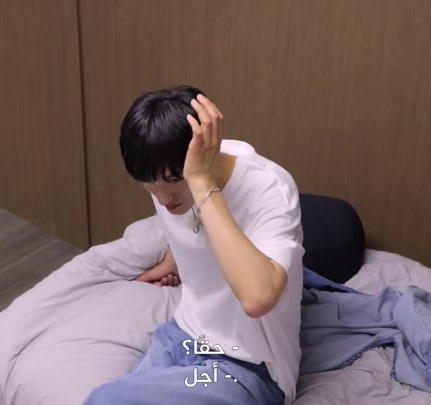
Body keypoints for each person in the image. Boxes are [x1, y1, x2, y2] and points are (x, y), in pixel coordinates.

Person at [83, 85, 304, 405]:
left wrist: (201, 182)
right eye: (149, 185)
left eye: (174, 181)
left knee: (105, 401)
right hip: (183, 337)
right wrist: (172, 261)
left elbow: (258, 299)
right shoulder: (164, 169)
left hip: (247, 366)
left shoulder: (269, 188)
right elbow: (188, 230)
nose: (163, 198)